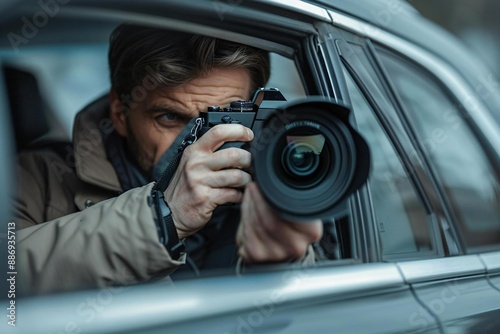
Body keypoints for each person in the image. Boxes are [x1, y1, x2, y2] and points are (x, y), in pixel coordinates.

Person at [15, 23, 323, 295]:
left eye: (226, 118)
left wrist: (281, 268)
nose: (197, 143)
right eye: (169, 117)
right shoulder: (33, 180)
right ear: (120, 114)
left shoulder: (292, 186)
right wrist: (162, 218)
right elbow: (11, 281)